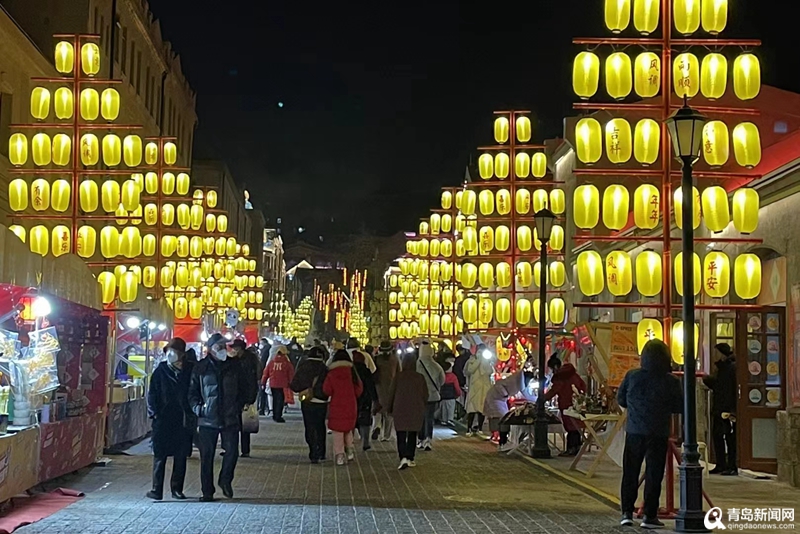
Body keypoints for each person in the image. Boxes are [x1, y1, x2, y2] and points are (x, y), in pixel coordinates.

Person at [617, 339, 683, 529]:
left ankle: (627, 512)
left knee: (630, 471)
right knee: (654, 473)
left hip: (635, 431)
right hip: (659, 432)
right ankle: (649, 515)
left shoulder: (632, 376)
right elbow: (678, 406)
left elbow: (622, 399)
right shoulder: (671, 380)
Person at [189, 333, 251, 501]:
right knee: (207, 456)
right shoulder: (201, 368)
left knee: (232, 452)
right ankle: (207, 491)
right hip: (208, 419)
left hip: (230, 416)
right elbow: (193, 393)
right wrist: (199, 409)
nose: (222, 350)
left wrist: (239, 405)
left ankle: (225, 480)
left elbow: (245, 387)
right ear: (210, 349)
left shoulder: (234, 366)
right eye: (219, 346)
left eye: (224, 346)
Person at [146, 338, 194, 501]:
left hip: (182, 419)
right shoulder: (160, 371)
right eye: (169, 351)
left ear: (182, 354)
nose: (172, 355)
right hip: (163, 419)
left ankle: (177, 489)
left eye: (175, 352)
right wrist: (154, 413)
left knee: (180, 457)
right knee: (160, 456)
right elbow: (152, 394)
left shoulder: (189, 370)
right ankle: (156, 489)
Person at [323, 349, 363, 465]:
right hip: (351, 404)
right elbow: (359, 389)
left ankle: (340, 455)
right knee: (348, 429)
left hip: (336, 404)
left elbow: (326, 390)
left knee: (338, 432)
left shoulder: (331, 373)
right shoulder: (352, 372)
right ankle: (350, 451)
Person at [290, 346, 329, 463]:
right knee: (320, 425)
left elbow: (294, 385)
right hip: (322, 401)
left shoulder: (303, 367)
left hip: (307, 400)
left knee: (310, 425)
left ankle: (313, 451)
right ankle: (321, 451)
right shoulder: (325, 369)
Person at [389, 352, 428, 470]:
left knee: (400, 433)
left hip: (400, 407)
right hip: (415, 408)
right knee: (412, 433)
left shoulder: (398, 377)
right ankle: (410, 457)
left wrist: (389, 407)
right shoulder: (419, 377)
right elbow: (425, 394)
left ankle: (403, 457)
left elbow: (392, 393)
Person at [703, 343, 738, 476]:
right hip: (718, 407)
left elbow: (728, 389)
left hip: (727, 408)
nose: (714, 355)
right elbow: (717, 385)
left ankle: (731, 465)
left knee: (729, 437)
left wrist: (732, 410)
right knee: (717, 436)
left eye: (717, 352)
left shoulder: (731, 368)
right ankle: (720, 464)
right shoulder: (720, 368)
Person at [483, 366, 537, 450]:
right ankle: (502, 442)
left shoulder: (518, 380)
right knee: (503, 419)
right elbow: (499, 384)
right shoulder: (517, 380)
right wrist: (505, 393)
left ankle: (503, 441)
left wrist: (537, 399)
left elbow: (526, 393)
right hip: (495, 398)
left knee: (504, 419)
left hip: (501, 399)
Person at [544, 355, 586, 456]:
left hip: (565, 404)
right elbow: (583, 386)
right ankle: (577, 447)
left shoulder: (560, 376)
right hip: (577, 404)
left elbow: (554, 390)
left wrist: (542, 399)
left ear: (554, 367)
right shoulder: (573, 373)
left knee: (570, 427)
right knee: (575, 427)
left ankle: (571, 448)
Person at [232, 339, 261, 457]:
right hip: (234, 396)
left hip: (244, 396)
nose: (234, 350)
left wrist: (250, 399)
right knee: (233, 425)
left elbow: (252, 380)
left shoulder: (249, 360)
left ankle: (245, 450)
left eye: (236, 348)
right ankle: (232, 449)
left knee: (244, 425)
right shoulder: (234, 360)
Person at [416, 340, 444, 451]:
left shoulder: (417, 365)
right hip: (432, 396)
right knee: (429, 418)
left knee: (420, 418)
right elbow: (442, 380)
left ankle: (420, 439)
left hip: (420, 396)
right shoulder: (436, 365)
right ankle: (428, 439)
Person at [371, 341, 401, 442]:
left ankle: (377, 426)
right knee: (389, 412)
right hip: (391, 387)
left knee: (378, 409)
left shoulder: (377, 359)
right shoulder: (395, 359)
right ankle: (386, 435)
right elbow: (399, 373)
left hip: (378, 386)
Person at [464, 345, 494, 435]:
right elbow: (469, 370)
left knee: (482, 409)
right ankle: (469, 428)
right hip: (474, 387)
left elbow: (490, 371)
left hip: (483, 387)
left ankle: (480, 428)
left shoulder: (487, 362)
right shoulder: (472, 360)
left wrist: (485, 362)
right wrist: (478, 361)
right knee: (472, 409)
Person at [261, 345, 295, 423]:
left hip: (273, 384)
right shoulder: (287, 363)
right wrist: (291, 383)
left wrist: (263, 382)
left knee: (275, 399)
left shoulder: (272, 362)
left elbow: (266, 373)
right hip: (283, 384)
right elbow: (290, 374)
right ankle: (278, 415)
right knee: (280, 400)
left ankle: (274, 414)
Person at [352, 350, 378, 451]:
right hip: (365, 398)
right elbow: (371, 386)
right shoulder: (366, 371)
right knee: (365, 421)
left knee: (353, 420)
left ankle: (350, 442)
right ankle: (365, 442)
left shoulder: (351, 371)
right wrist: (375, 398)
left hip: (353, 398)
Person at [439, 362, 463, 427]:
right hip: (451, 397)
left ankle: (444, 419)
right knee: (451, 408)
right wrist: (458, 393)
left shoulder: (442, 375)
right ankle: (450, 419)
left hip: (443, 397)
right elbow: (457, 387)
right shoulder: (453, 376)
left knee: (444, 409)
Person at [257, 338, 271, 415]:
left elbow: (262, 364)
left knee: (262, 393)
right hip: (266, 375)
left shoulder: (265, 351)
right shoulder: (268, 349)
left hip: (264, 374)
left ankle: (262, 408)